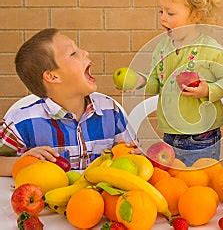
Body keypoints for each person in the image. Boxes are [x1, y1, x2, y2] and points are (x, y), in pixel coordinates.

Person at [0, 28, 137, 176]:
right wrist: (23, 162)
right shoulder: (20, 122)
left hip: (97, 197)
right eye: (73, 53)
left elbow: (131, 155)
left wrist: (135, 153)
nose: (85, 52)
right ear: (52, 76)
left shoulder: (111, 110)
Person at [145, 0, 223, 166]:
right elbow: (155, 82)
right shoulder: (162, 47)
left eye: (170, 13)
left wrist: (207, 90)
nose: (163, 18)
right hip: (170, 132)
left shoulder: (210, 48)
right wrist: (139, 82)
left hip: (201, 136)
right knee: (174, 181)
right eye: (160, 11)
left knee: (199, 181)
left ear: (195, 15)